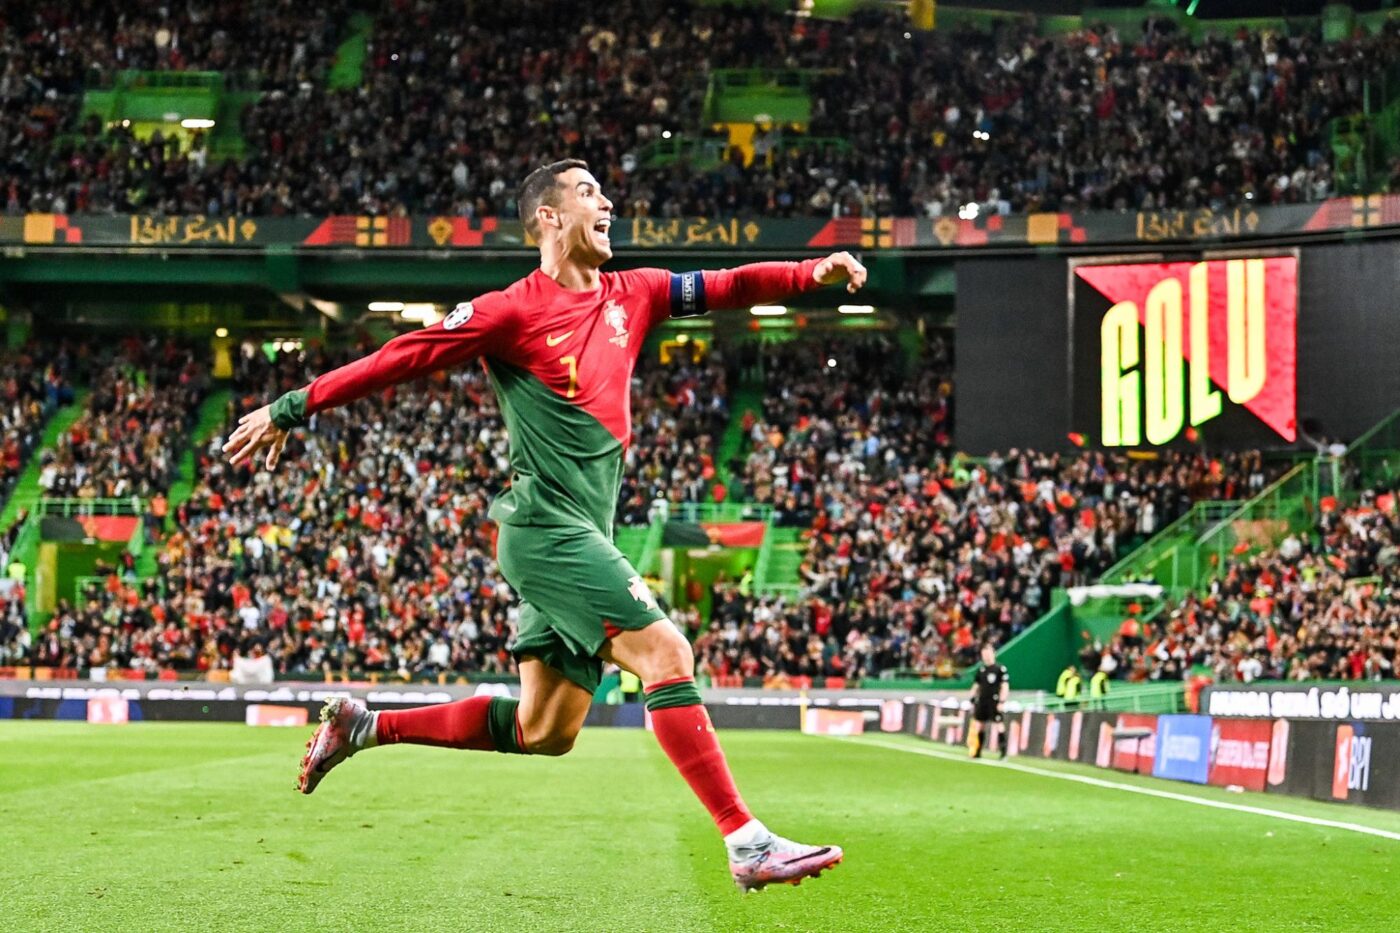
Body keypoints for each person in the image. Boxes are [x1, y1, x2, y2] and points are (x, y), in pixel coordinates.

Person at [221, 159, 866, 892]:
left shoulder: (636, 293)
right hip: (545, 529)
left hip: (581, 532)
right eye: (589, 192)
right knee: (666, 652)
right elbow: (403, 357)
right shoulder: (509, 311)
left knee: (546, 730)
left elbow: (728, 285)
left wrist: (808, 274)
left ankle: (366, 727)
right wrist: (292, 406)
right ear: (549, 218)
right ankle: (746, 841)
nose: (608, 202)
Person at [968, 644, 1009, 759]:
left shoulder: (1000, 669)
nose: (986, 656)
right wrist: (972, 698)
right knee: (980, 725)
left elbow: (1005, 686)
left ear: (993, 654)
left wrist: (1001, 701)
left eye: (988, 653)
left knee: (998, 724)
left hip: (994, 700)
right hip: (982, 701)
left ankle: (1003, 752)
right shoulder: (981, 670)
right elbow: (976, 685)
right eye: (984, 654)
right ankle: (978, 751)